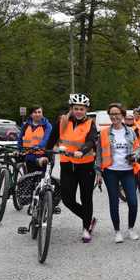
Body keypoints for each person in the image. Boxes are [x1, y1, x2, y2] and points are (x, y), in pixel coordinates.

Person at [44, 93, 98, 243]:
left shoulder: (90, 124)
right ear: (71, 109)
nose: (79, 111)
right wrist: (45, 154)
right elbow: (51, 140)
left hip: (85, 166)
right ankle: (89, 218)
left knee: (86, 198)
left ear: (86, 109)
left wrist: (83, 150)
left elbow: (92, 141)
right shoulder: (63, 121)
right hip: (67, 165)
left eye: (82, 108)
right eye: (76, 108)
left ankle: (86, 228)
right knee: (67, 199)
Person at [95, 103, 140, 243]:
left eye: (117, 114)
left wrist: (135, 156)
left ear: (122, 115)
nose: (114, 116)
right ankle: (117, 231)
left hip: (128, 171)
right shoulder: (103, 133)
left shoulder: (131, 132)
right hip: (110, 172)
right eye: (112, 114)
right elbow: (98, 154)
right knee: (113, 202)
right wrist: (98, 172)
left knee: (133, 202)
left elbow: (137, 148)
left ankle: (131, 228)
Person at [18, 106, 52, 173]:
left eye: (39, 112)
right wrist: (19, 149)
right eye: (35, 112)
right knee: (29, 178)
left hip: (42, 155)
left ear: (42, 114)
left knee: (40, 178)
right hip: (28, 155)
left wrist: (38, 147)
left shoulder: (47, 126)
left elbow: (46, 139)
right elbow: (20, 138)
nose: (37, 114)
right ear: (31, 114)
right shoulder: (25, 125)